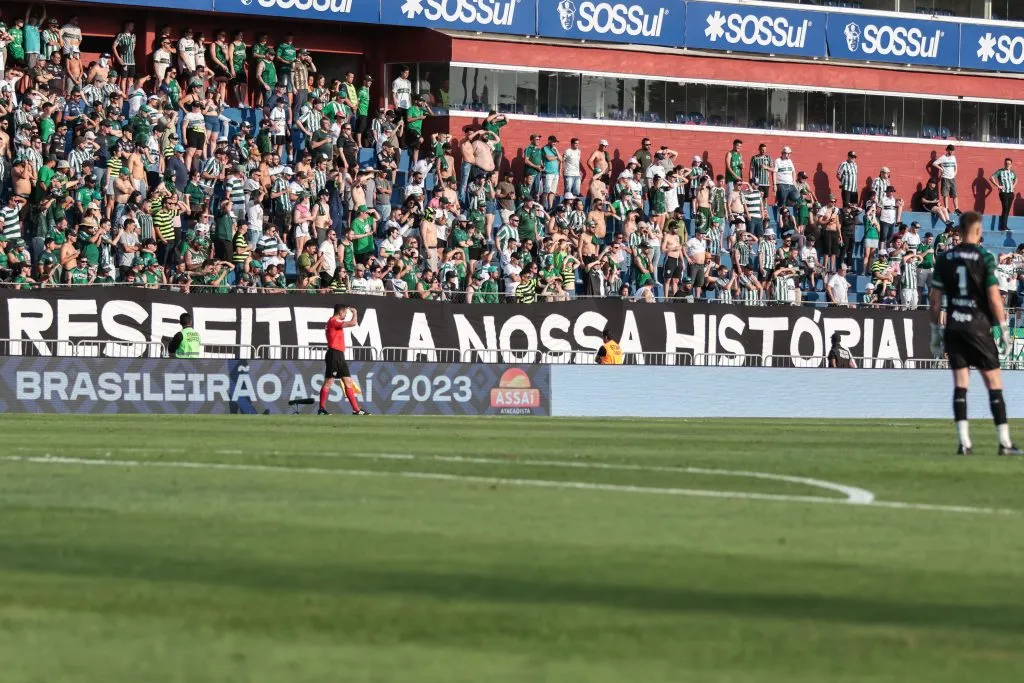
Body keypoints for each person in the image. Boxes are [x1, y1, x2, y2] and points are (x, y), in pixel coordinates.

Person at [929, 211, 1019, 456]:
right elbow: (993, 297)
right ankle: (1004, 442)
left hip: (954, 327)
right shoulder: (985, 258)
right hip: (979, 328)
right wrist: (1002, 328)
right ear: (978, 231)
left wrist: (936, 331)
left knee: (960, 385)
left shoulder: (945, 258)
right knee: (994, 384)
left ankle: (964, 442)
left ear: (958, 231)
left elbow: (934, 300)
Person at [319, 304, 370, 416]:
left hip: (340, 355)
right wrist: (355, 312)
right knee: (329, 382)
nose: (346, 315)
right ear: (340, 312)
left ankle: (356, 410)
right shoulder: (333, 321)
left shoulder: (333, 322)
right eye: (345, 313)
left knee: (348, 382)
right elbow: (353, 323)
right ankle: (321, 409)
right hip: (334, 354)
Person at [991, 158, 1017, 232]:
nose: (1007, 165)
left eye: (1009, 163)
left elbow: (1016, 179)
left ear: (1011, 165)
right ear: (1004, 164)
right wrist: (998, 186)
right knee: (1005, 208)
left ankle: (1004, 226)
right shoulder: (1000, 171)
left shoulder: (1012, 172)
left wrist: (1014, 185)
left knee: (1007, 210)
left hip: (1011, 193)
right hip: (1003, 193)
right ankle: (1003, 227)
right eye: (1006, 163)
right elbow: (991, 178)